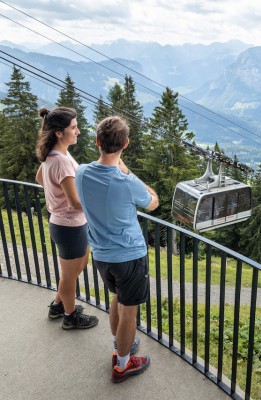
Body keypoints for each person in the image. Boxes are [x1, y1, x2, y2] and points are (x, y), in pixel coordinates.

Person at [75, 115, 159, 383]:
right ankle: (123, 365)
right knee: (129, 309)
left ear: (97, 141)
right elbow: (153, 203)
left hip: (101, 255)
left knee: (117, 299)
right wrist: (128, 172)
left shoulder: (82, 172)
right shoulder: (125, 181)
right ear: (126, 144)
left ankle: (119, 346)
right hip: (129, 256)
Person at [35, 106, 99, 330]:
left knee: (78, 266)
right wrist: (99, 209)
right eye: (74, 127)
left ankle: (57, 305)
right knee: (70, 275)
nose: (78, 131)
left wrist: (55, 197)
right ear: (59, 133)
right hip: (69, 226)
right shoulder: (61, 161)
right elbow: (75, 203)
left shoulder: (55, 153)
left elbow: (39, 177)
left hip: (68, 224)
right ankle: (70, 317)